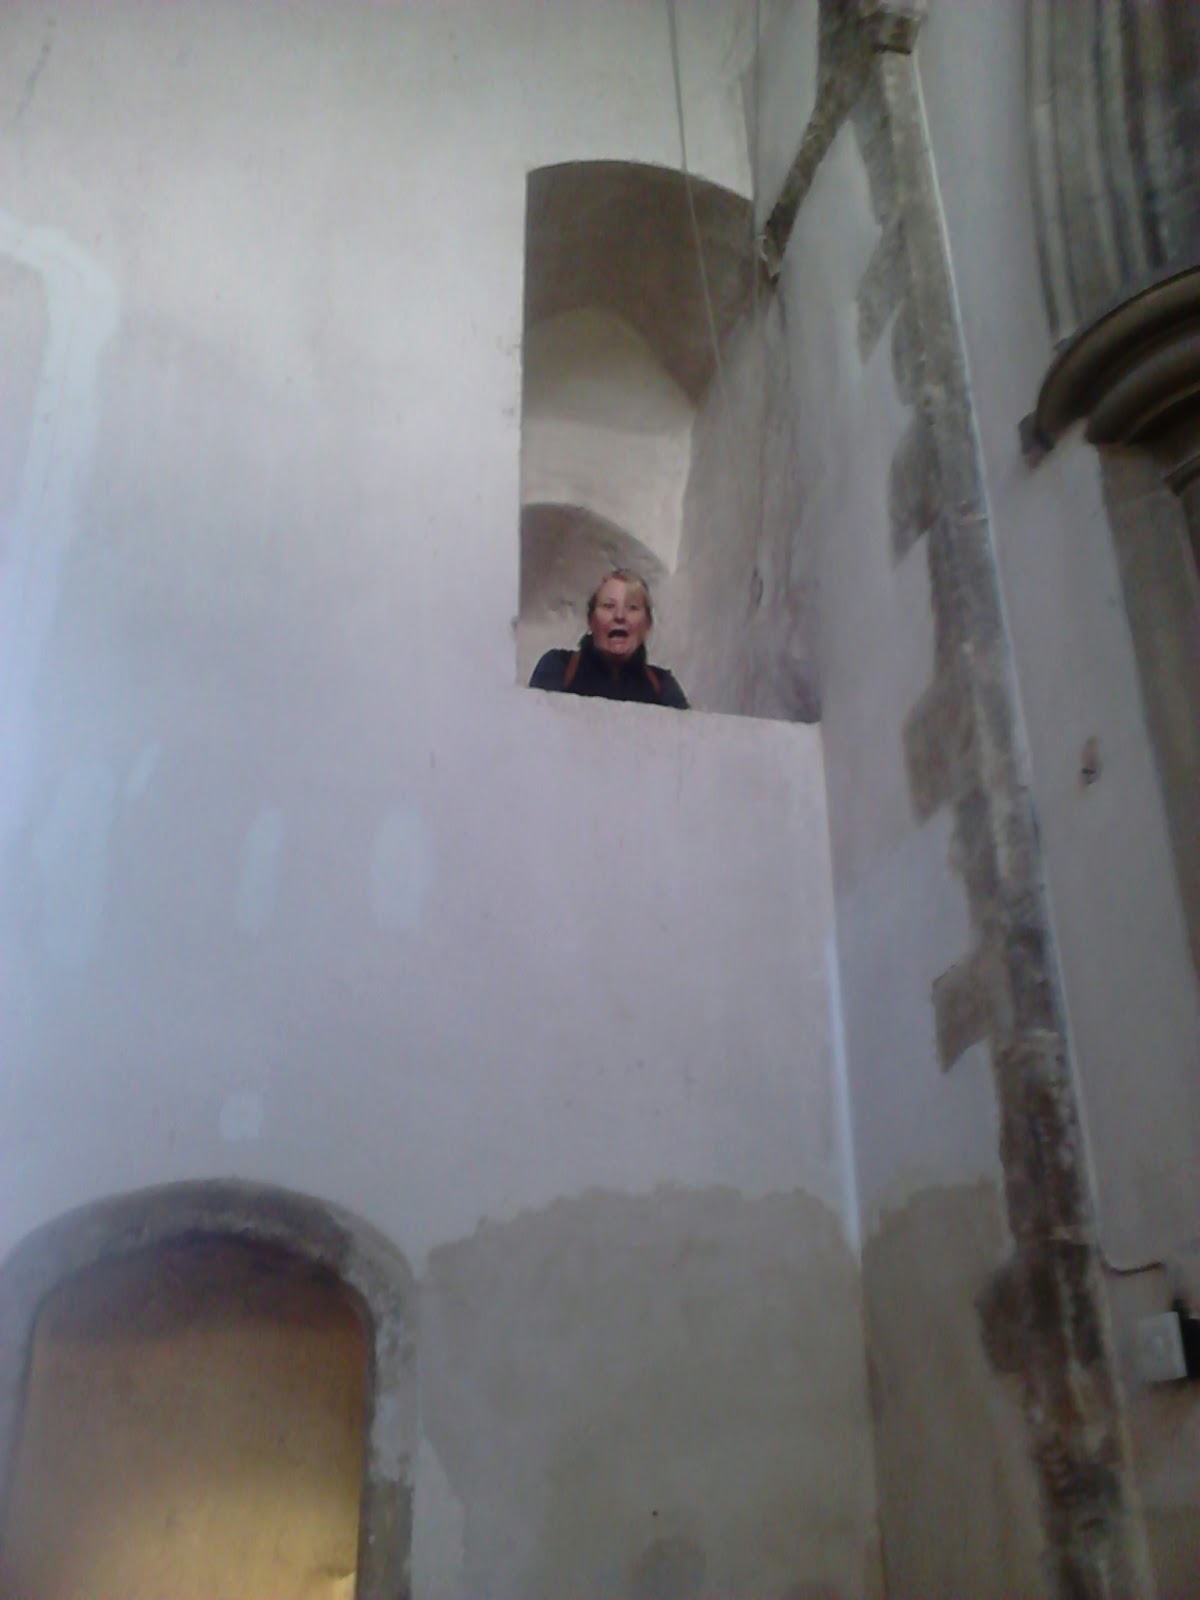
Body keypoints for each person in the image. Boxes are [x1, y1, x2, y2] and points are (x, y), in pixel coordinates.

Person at [529, 570, 689, 708]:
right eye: (608, 606)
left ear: (647, 624)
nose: (619, 616)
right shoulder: (558, 667)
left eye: (632, 607)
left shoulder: (662, 685)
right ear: (591, 620)